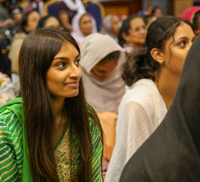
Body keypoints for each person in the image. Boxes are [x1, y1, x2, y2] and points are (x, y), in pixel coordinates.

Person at [0, 27, 103, 181]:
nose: (76, 72)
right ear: (36, 71)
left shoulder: (85, 119)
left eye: (77, 62)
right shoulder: (8, 126)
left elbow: (93, 178)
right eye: (62, 65)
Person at [104, 16, 195, 182]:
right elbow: (137, 174)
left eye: (194, 42)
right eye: (182, 43)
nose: (193, 50)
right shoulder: (138, 103)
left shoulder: (190, 89)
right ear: (158, 55)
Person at [80, 33, 126, 114]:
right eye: (101, 71)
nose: (107, 76)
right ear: (87, 65)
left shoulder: (120, 76)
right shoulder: (77, 83)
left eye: (112, 70)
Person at [9, 10, 40, 75]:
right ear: (26, 26)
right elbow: (16, 69)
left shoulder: (36, 41)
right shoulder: (20, 41)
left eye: (40, 20)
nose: (38, 23)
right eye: (34, 20)